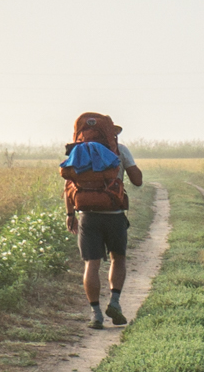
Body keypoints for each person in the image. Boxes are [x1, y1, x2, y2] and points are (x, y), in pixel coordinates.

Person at [62, 113, 144, 328]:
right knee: (118, 258)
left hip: (87, 215)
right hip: (114, 215)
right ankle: (115, 302)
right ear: (110, 132)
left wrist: (70, 214)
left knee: (91, 264)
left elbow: (68, 185)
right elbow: (137, 181)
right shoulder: (119, 150)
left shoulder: (75, 151)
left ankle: (95, 314)